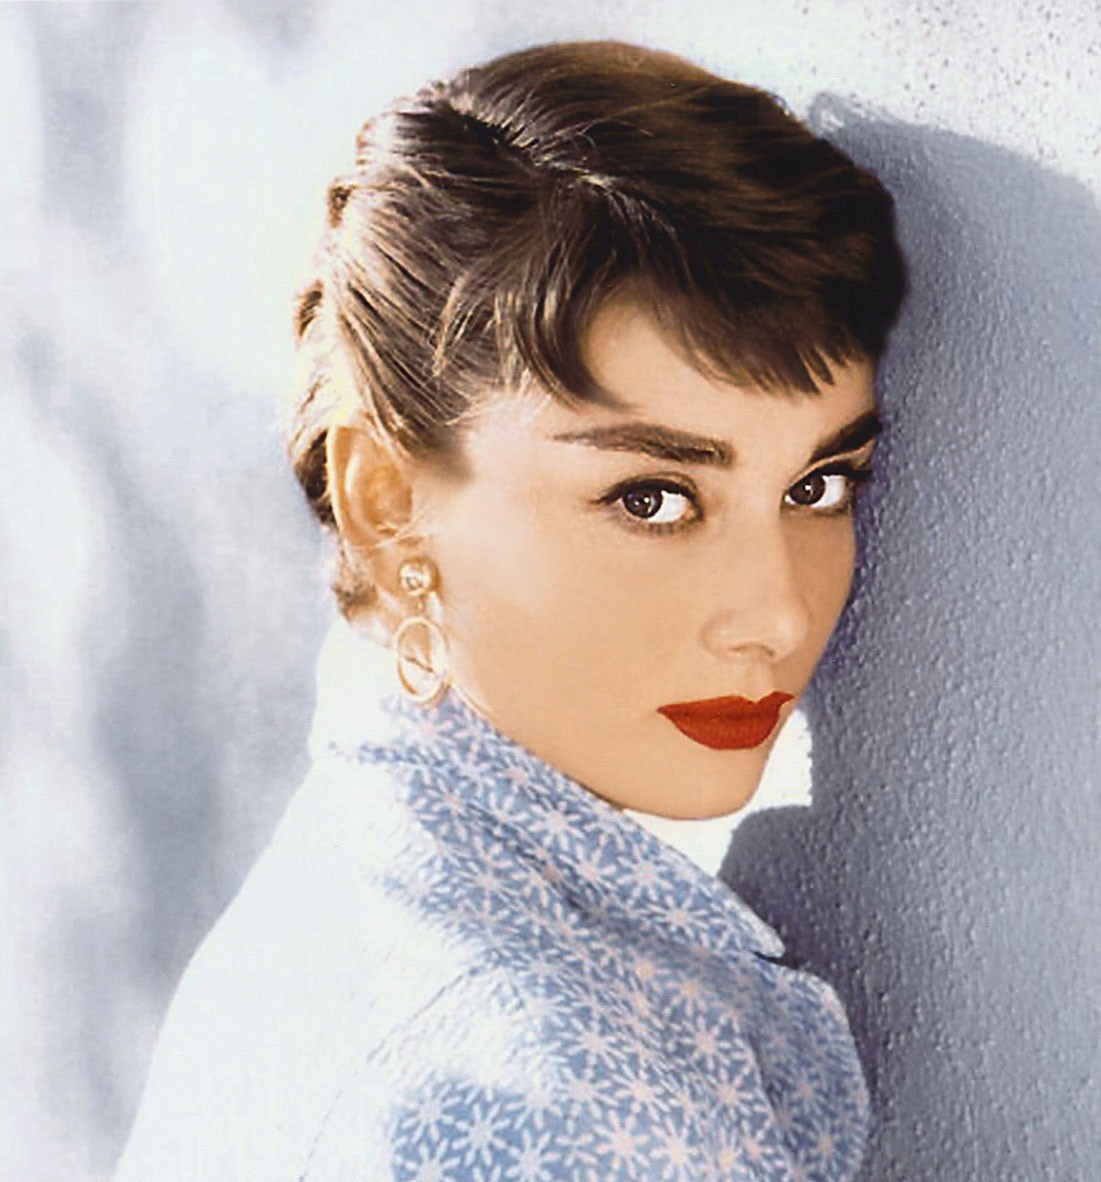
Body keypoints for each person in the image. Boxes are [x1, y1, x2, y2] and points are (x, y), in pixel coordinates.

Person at [115, 40, 905, 1181]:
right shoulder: (572, 1102)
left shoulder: (351, 891)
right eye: (652, 498)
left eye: (817, 487)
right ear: (387, 502)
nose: (776, 616)